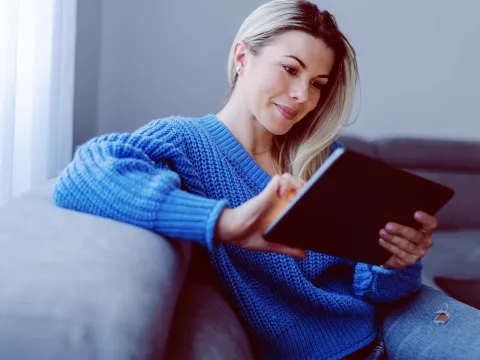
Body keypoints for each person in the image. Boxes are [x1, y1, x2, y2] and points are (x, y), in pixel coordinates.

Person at [53, 0, 480, 358]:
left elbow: (375, 288)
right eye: (290, 69)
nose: (302, 96)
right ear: (242, 57)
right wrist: (224, 222)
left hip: (400, 324)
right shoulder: (184, 141)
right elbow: (84, 174)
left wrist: (396, 261)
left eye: (317, 83)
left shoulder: (322, 158)